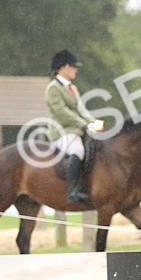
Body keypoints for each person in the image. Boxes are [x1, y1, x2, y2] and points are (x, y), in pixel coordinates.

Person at [45, 49, 103, 204]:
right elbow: (61, 112)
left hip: (76, 130)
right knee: (78, 150)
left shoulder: (73, 88)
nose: (76, 69)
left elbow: (81, 109)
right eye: (73, 66)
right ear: (63, 67)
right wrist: (84, 125)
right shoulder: (53, 88)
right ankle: (73, 191)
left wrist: (93, 122)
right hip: (61, 132)